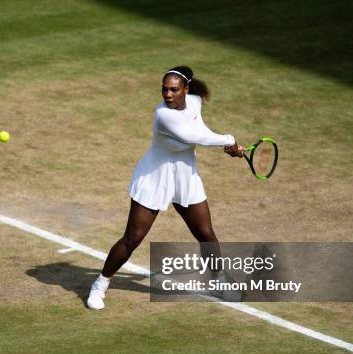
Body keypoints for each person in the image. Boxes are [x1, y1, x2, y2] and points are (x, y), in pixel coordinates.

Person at [87, 66, 244, 310]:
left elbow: (201, 130)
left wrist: (229, 148)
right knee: (133, 238)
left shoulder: (194, 103)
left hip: (184, 176)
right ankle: (100, 284)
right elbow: (194, 138)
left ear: (185, 90)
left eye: (173, 90)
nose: (167, 95)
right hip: (154, 178)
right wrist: (229, 140)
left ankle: (219, 281)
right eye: (164, 89)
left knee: (206, 234)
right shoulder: (163, 115)